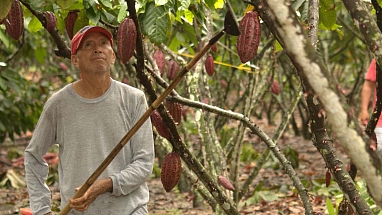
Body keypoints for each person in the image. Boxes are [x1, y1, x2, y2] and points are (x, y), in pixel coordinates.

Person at [24, 25, 155, 215]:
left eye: (104, 43)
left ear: (112, 56)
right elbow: (33, 156)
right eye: (88, 44)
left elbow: (144, 163)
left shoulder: (134, 99)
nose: (97, 48)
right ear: (75, 60)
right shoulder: (59, 104)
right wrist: (42, 209)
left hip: (130, 210)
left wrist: (106, 185)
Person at [359, 58, 382, 154]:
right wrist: (364, 110)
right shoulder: (379, 58)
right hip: (380, 120)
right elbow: (368, 85)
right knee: (379, 151)